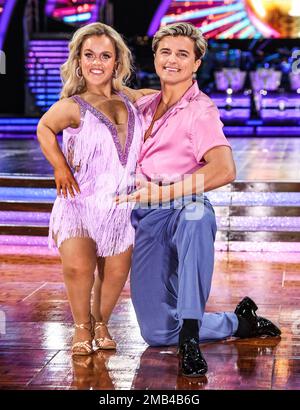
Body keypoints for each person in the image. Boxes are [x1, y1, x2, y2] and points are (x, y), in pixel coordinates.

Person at [116, 22, 281, 377]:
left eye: (182, 54)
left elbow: (224, 169)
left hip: (183, 202)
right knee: (157, 333)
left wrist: (166, 191)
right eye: (165, 52)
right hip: (147, 214)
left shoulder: (200, 111)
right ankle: (237, 322)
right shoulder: (146, 105)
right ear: (155, 57)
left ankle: (190, 335)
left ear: (196, 63)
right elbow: (117, 90)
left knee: (196, 217)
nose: (172, 60)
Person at [37, 22, 153, 356]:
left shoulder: (130, 99)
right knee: (78, 268)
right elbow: (44, 128)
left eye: (105, 55)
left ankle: (100, 322)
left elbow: (163, 97)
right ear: (79, 60)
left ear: (117, 62)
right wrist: (59, 166)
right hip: (79, 202)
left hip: (121, 205)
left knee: (115, 273)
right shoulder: (72, 105)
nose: (97, 62)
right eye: (89, 55)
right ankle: (81, 327)